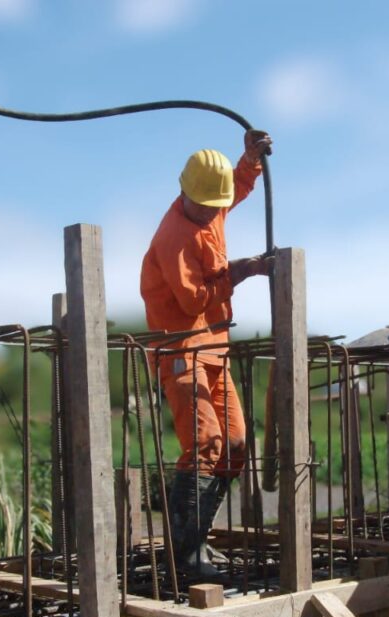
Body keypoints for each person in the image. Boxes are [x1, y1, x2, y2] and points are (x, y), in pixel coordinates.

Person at [140, 130, 272, 577]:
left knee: (234, 445)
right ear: (185, 193)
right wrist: (244, 271)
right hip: (179, 349)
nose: (218, 213)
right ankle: (185, 555)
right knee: (205, 444)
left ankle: (197, 540)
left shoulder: (210, 205)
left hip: (214, 347)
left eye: (220, 206)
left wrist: (251, 160)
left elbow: (233, 187)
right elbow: (194, 300)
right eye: (210, 207)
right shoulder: (174, 235)